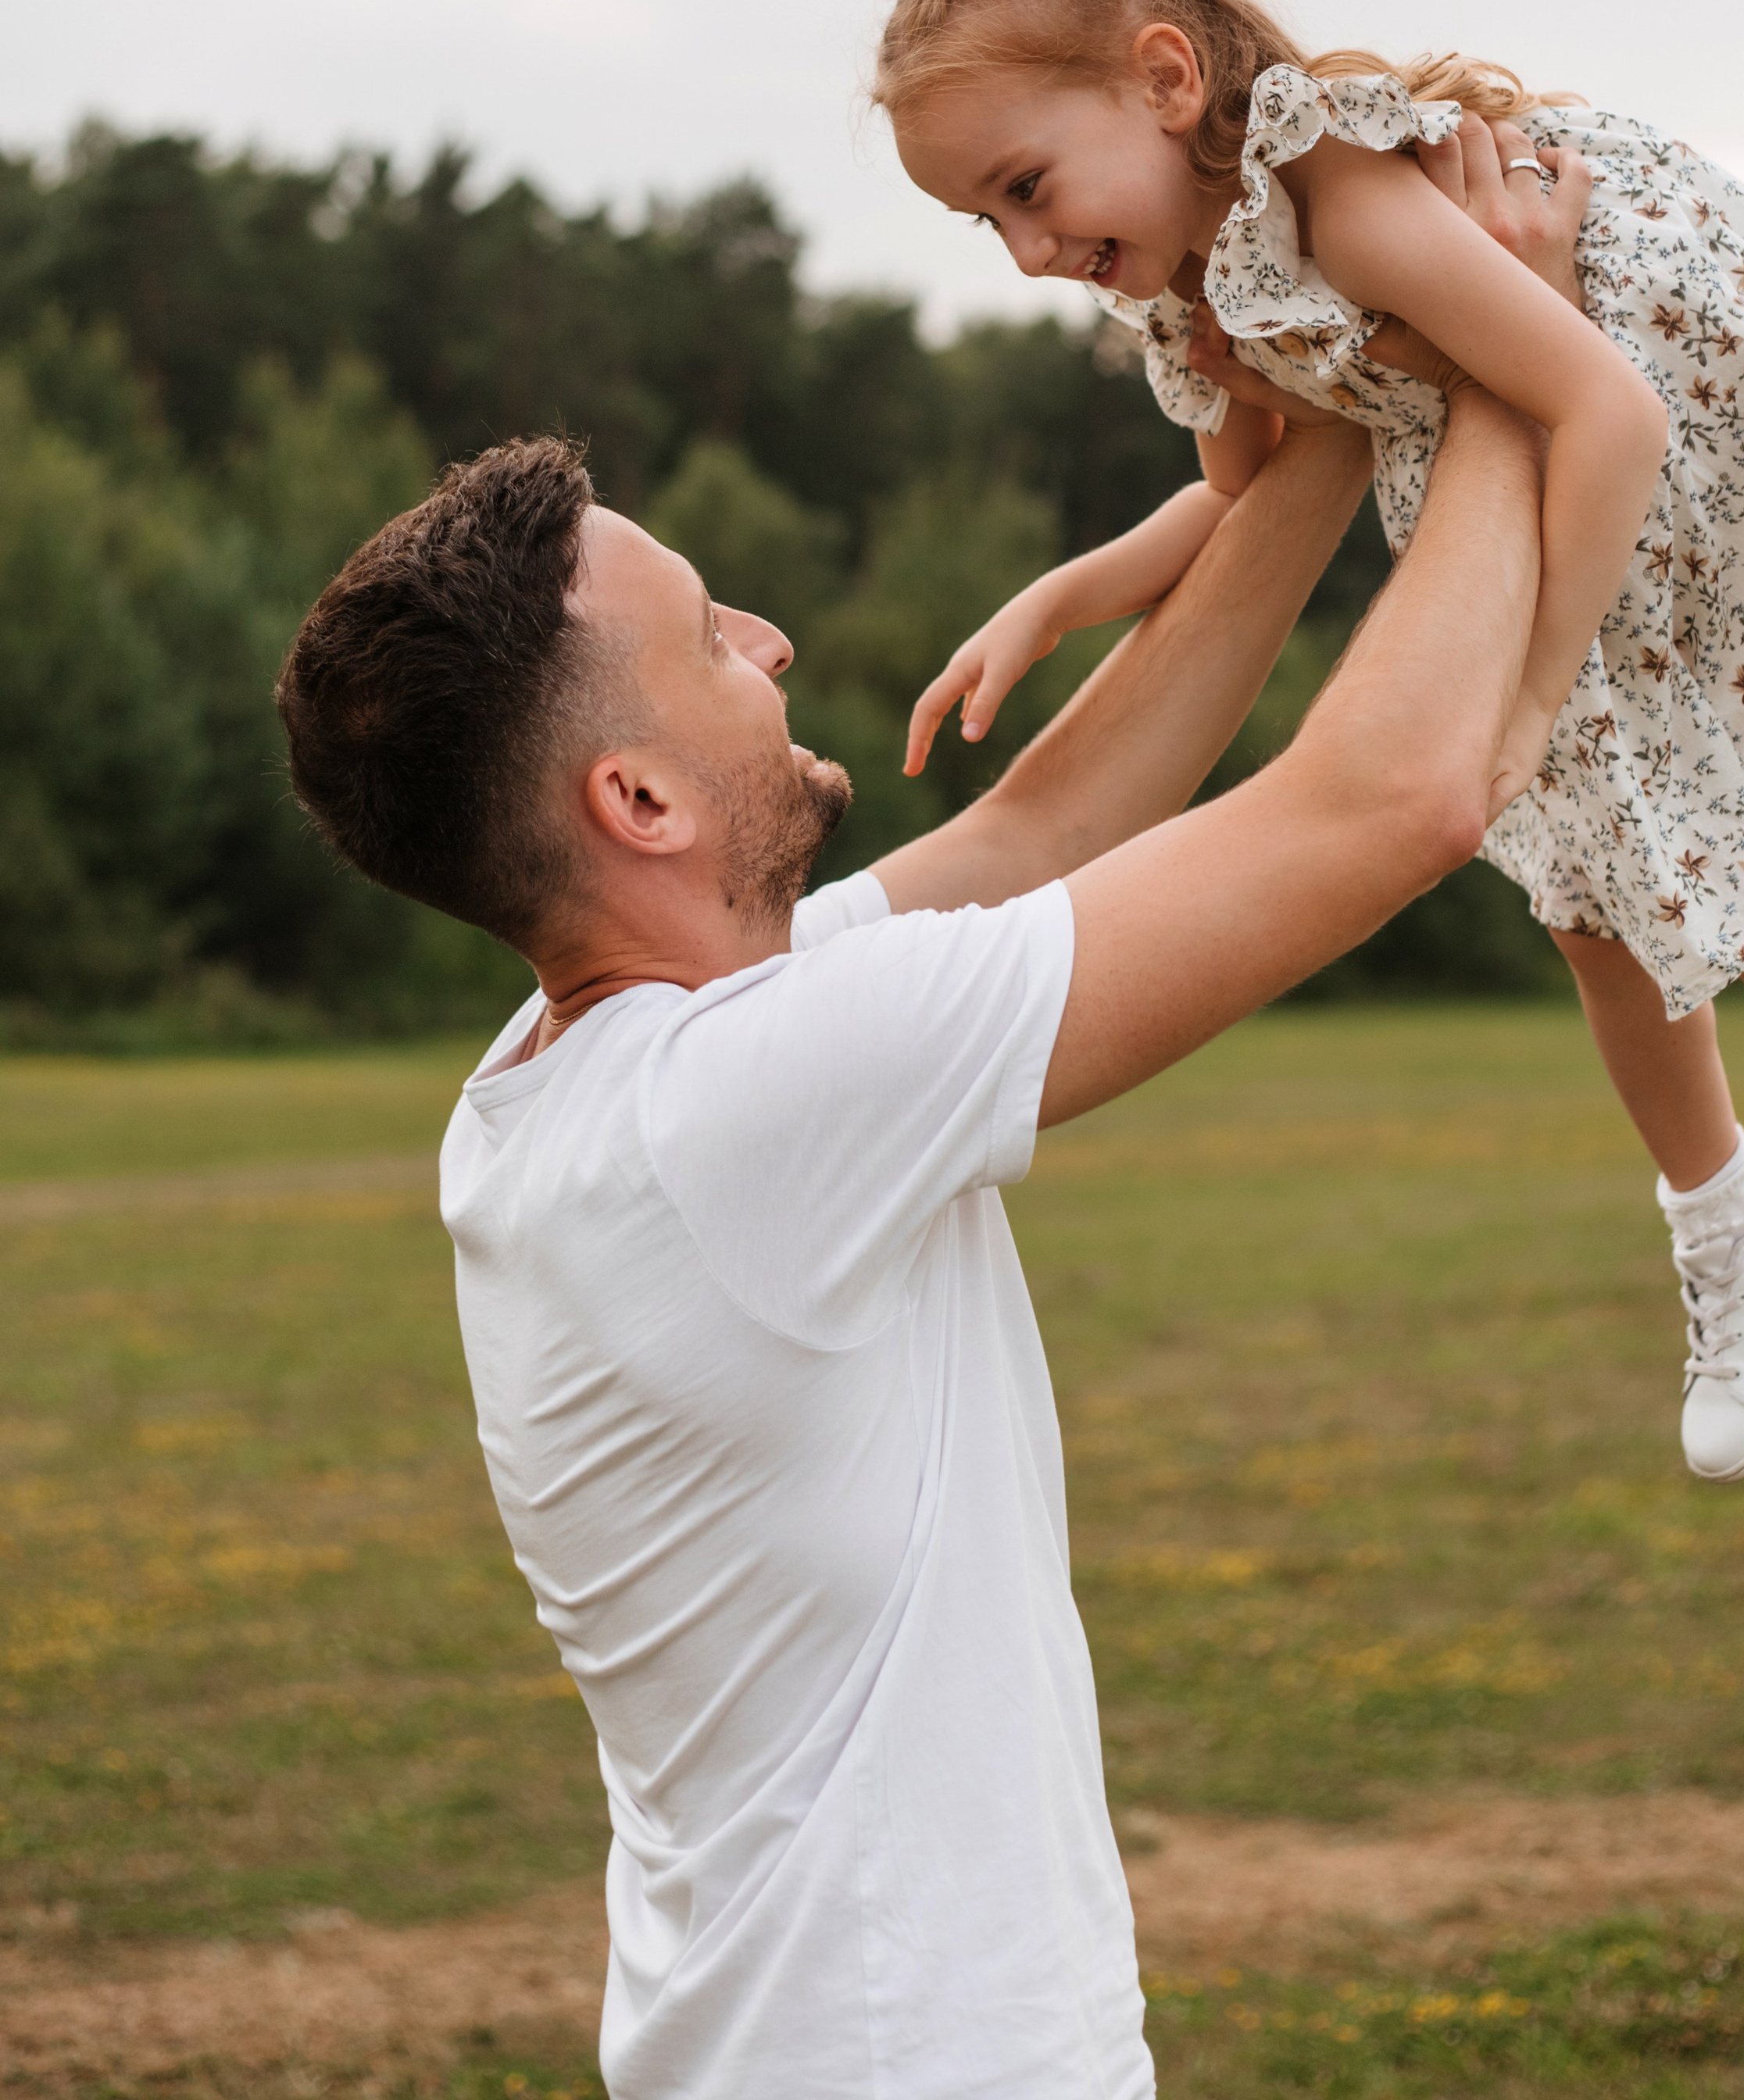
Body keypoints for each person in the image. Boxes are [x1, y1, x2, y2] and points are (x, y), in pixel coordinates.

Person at [274, 286, 1554, 2098]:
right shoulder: (739, 1108)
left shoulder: (583, 1074)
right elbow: (1396, 797)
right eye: (715, 635)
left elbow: (1049, 829)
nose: (773, 640)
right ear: (636, 798)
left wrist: (1347, 417)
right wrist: (1505, 350)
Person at [878, 0, 1744, 1584]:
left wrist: (1535, 687)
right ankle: (1732, 1209)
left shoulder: (1338, 190)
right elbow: (1247, 497)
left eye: (1024, 186)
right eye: (980, 219)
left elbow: (1607, 407)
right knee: (1585, 907)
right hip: (1564, 481)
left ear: (1164, 78)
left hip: (1684, 453)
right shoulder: (1209, 287)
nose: (1022, 249)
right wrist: (1059, 593)